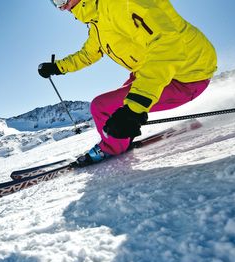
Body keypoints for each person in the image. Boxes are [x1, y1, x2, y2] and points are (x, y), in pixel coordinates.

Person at [38, 0, 217, 166]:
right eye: (55, 2)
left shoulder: (120, 4)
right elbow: (87, 54)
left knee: (102, 106)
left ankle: (113, 147)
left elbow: (167, 44)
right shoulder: (98, 21)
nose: (61, 7)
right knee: (115, 107)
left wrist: (134, 108)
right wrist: (57, 67)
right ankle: (120, 139)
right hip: (164, 68)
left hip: (188, 74)